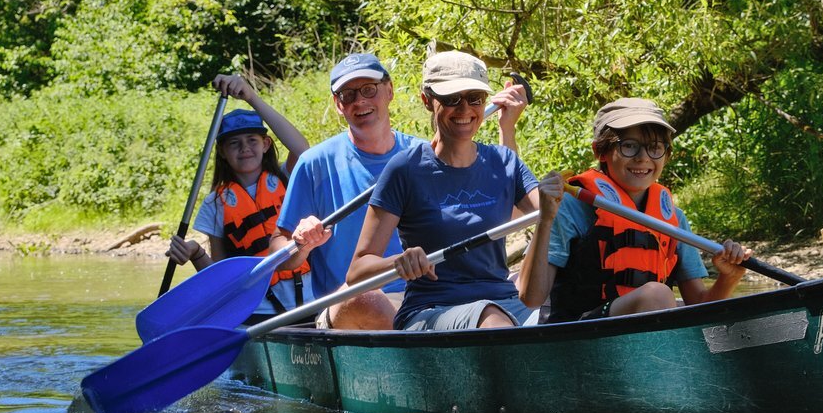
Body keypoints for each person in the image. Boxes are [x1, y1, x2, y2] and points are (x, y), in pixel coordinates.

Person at [270, 52, 529, 330]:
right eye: (348, 94)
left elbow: (503, 207)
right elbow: (279, 255)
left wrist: (507, 129)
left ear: (389, 91)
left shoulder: (424, 155)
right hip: (355, 300)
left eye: (369, 89)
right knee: (368, 298)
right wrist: (300, 243)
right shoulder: (315, 164)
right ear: (337, 104)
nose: (360, 101)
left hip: (433, 299)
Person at [346, 51, 557, 330]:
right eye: (451, 99)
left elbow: (534, 212)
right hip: (432, 309)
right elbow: (357, 272)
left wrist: (554, 199)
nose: (465, 109)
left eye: (475, 99)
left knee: (562, 313)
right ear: (427, 100)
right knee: (491, 318)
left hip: (502, 302)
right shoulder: (405, 169)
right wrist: (399, 260)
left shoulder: (504, 162)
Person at [518, 98, 751, 323]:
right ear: (601, 151)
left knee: (657, 296)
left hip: (639, 342)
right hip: (577, 333)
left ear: (667, 155)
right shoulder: (571, 207)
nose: (643, 158)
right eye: (629, 146)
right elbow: (531, 298)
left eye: (655, 148)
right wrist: (545, 220)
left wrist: (729, 277)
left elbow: (701, 309)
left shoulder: (673, 219)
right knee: (656, 295)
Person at [165, 74, 313, 319]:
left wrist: (252, 97)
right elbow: (219, 278)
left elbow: (302, 148)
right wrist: (196, 254)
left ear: (266, 144)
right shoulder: (215, 204)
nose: (244, 148)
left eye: (252, 140)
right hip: (257, 312)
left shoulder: (287, 177)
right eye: (234, 143)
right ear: (222, 152)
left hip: (307, 303)